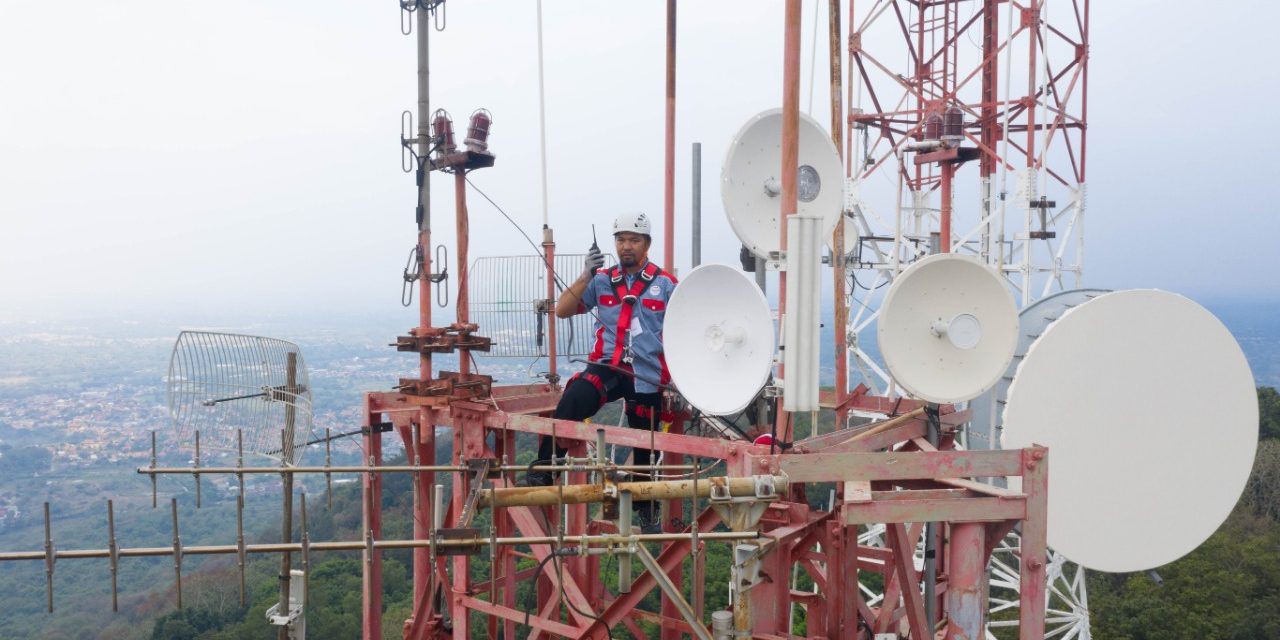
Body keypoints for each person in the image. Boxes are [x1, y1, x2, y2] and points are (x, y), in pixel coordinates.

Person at [525, 212, 678, 526]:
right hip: (607, 365)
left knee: (645, 437)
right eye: (620, 240)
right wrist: (585, 276)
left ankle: (646, 502)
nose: (626, 247)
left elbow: (684, 331)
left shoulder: (665, 286)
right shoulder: (602, 280)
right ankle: (545, 468)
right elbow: (563, 311)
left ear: (647, 244)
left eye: (634, 240)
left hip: (645, 372)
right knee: (574, 398)